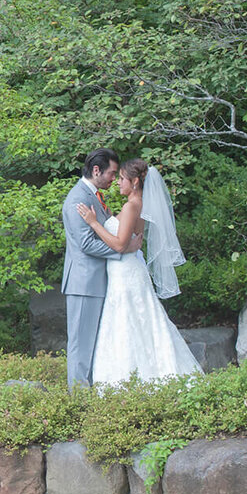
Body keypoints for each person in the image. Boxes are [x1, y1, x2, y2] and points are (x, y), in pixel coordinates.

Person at [76, 158, 201, 385]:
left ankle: (129, 379)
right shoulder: (138, 204)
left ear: (134, 182)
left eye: (122, 179)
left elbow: (119, 245)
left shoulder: (132, 205)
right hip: (127, 268)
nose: (117, 183)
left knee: (127, 320)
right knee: (138, 319)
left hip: (125, 272)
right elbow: (128, 242)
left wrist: (94, 223)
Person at [60, 148, 138, 389]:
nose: (114, 179)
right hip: (83, 282)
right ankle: (79, 397)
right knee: (80, 343)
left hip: (98, 281)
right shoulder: (78, 198)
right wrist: (121, 250)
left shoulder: (94, 196)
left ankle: (92, 390)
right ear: (96, 170)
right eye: (112, 173)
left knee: (94, 342)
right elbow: (85, 243)